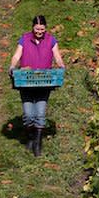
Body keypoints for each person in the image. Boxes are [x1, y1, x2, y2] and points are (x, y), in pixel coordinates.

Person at [10, 15, 65, 156]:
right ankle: (30, 137)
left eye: (42, 29)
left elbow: (57, 56)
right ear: (32, 27)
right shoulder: (25, 39)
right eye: (37, 29)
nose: (39, 32)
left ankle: (37, 144)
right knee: (28, 114)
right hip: (27, 82)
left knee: (40, 113)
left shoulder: (51, 40)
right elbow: (17, 55)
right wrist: (12, 66)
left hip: (43, 82)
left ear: (45, 28)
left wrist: (61, 66)